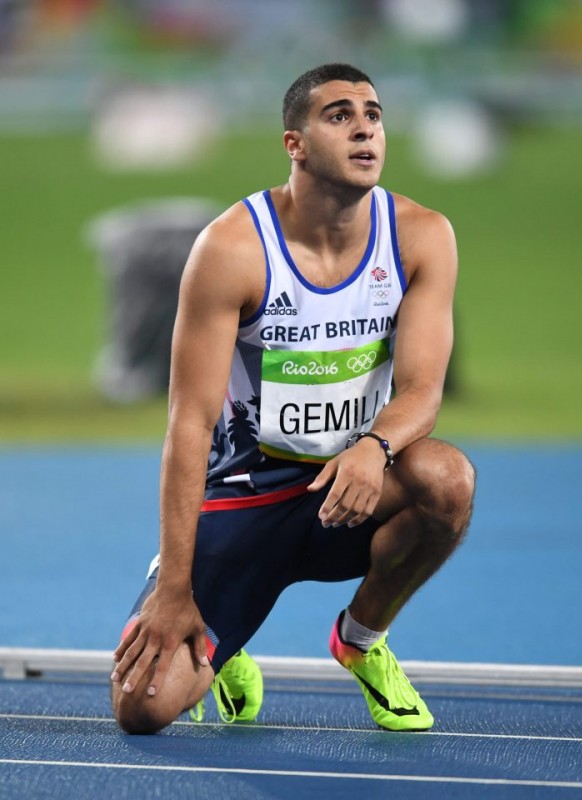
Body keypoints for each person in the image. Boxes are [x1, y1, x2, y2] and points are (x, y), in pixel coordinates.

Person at [111, 63, 476, 735]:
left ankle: (360, 642)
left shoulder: (421, 236)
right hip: (244, 496)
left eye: (373, 114)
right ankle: (229, 647)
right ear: (295, 144)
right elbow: (188, 426)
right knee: (141, 709)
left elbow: (422, 390)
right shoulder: (232, 247)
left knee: (447, 478)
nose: (364, 127)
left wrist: (373, 448)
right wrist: (174, 592)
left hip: (352, 489)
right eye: (339, 115)